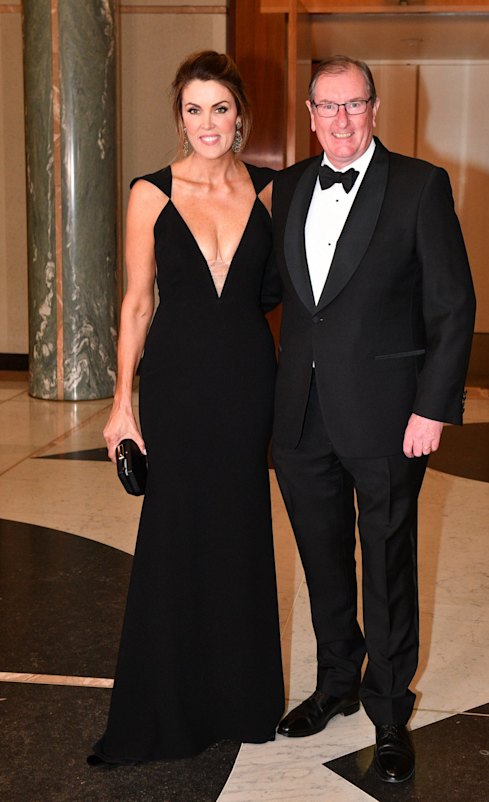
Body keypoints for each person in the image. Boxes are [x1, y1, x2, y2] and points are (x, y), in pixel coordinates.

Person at [270, 55, 476, 784]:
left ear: (375, 108)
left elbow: (453, 306)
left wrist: (432, 407)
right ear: (309, 111)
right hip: (299, 414)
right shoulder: (289, 185)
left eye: (355, 105)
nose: (342, 120)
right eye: (328, 106)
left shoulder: (421, 185)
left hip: (391, 417)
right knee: (322, 559)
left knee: (387, 564)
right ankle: (334, 684)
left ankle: (389, 711)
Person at [88, 50, 284, 765]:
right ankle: (164, 705)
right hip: (174, 381)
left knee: (237, 527)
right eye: (194, 109)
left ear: (240, 118)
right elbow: (138, 303)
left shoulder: (270, 192)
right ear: (181, 117)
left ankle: (241, 697)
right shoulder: (152, 192)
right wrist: (121, 406)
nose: (208, 122)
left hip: (246, 381)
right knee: (174, 530)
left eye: (221, 108)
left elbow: (284, 289)